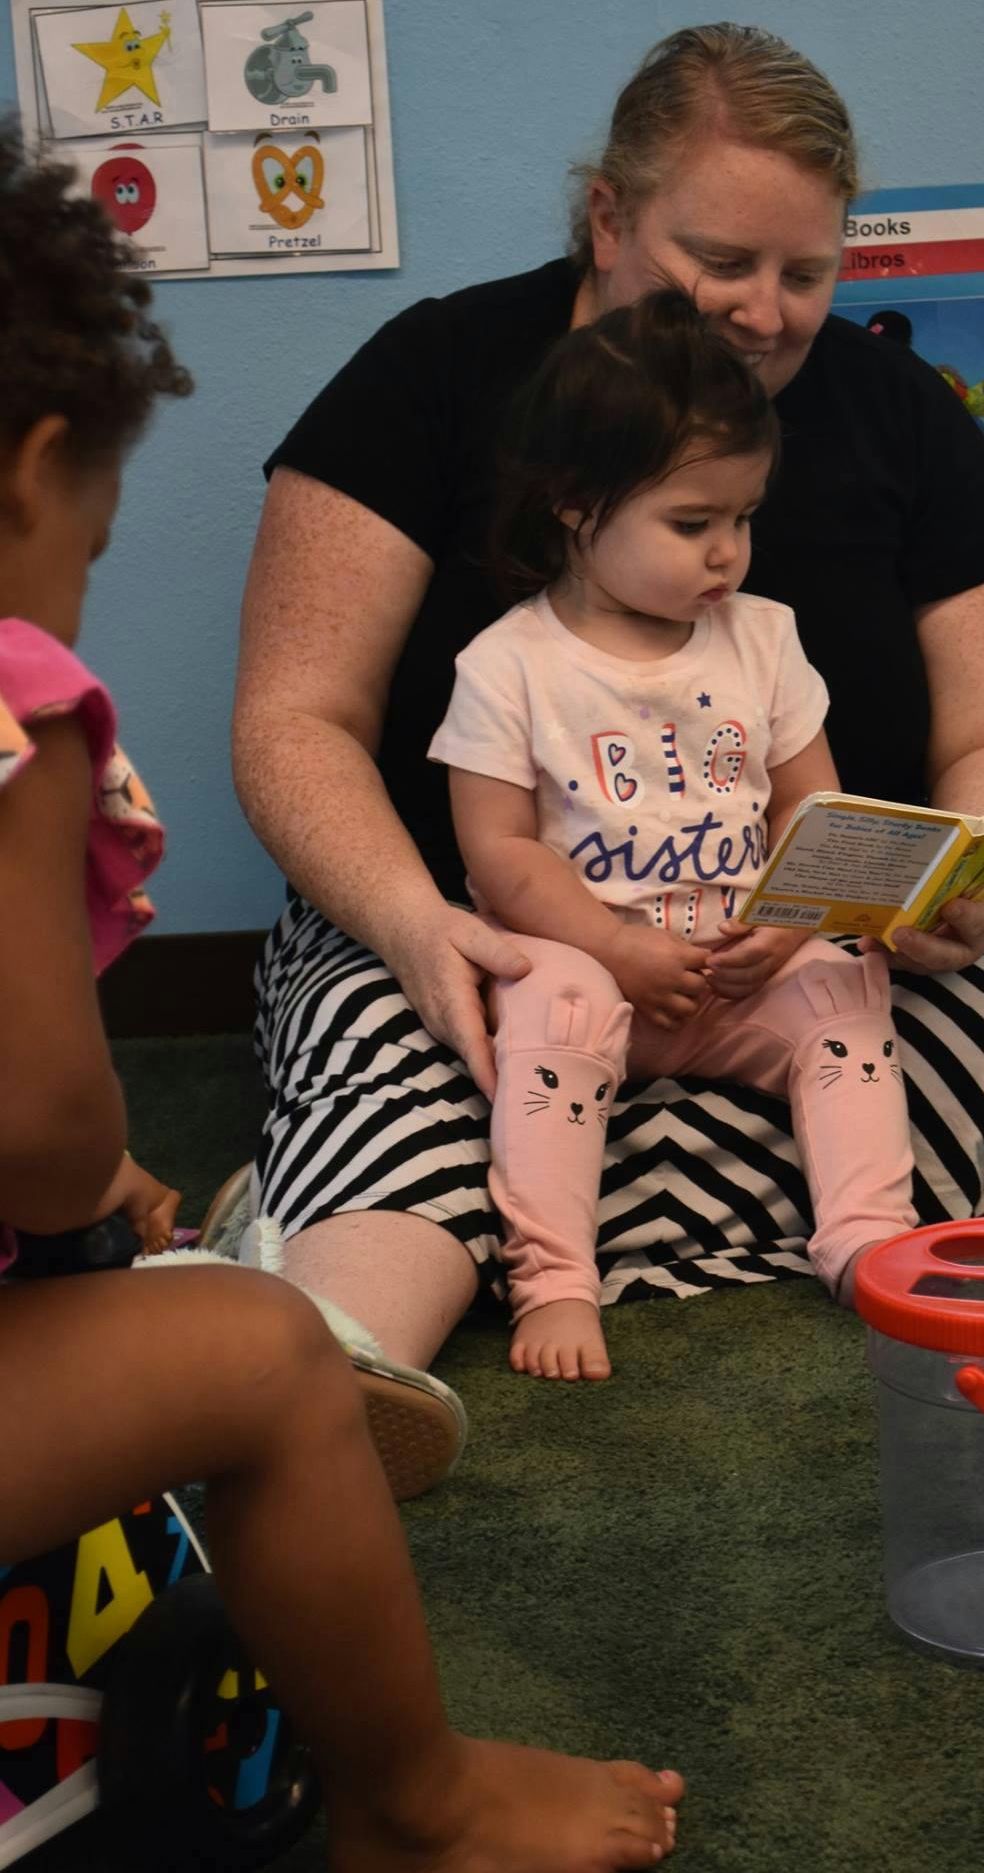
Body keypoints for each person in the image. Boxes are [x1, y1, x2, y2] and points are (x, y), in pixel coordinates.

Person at [229, 23, 984, 1492]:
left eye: (804, 274)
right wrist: (416, 926)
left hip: (788, 952)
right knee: (434, 1050)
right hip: (471, 939)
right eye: (721, 261)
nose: (763, 313)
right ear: (608, 218)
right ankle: (339, 1352)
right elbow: (290, 716)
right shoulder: (433, 373)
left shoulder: (898, 412)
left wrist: (969, 894)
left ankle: (484, 1222)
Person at [0, 122, 682, 1873]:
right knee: (266, 1353)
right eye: (95, 530)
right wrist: (88, 1208)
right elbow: (39, 1124)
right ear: (33, 474)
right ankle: (415, 1800)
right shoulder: (10, 701)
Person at [434, 289, 918, 1381]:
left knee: (846, 990)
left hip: (737, 971)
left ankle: (866, 1237)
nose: (726, 555)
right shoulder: (508, 665)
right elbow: (498, 856)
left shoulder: (764, 639)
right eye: (691, 524)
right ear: (573, 502)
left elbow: (813, 809)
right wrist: (613, 947)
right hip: (596, 960)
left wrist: (792, 930)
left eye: (742, 519)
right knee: (557, 1001)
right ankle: (555, 1273)